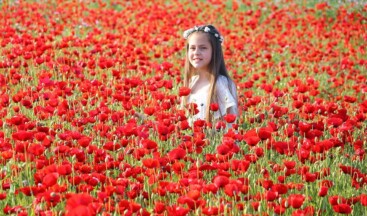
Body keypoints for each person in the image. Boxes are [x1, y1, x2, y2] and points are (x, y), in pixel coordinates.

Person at [180, 24, 239, 127]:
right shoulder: (191, 82)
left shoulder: (220, 83)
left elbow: (224, 126)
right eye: (192, 48)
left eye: (203, 48)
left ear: (214, 51)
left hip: (214, 141)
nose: (196, 52)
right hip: (193, 139)